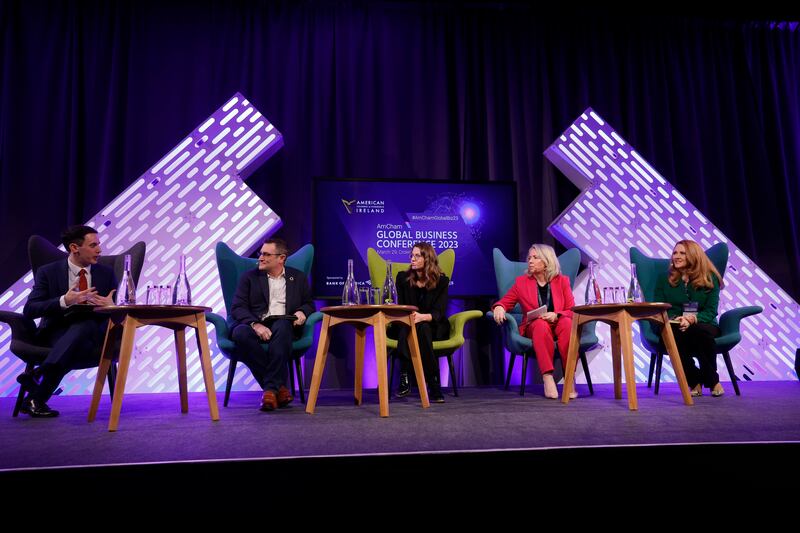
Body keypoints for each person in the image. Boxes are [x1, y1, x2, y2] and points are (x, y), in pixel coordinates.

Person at [20, 225, 118, 417]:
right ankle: (35, 398)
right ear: (74, 248)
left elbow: (126, 306)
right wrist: (66, 300)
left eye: (99, 244)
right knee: (77, 340)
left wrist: (111, 305)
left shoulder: (106, 273)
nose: (100, 250)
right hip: (58, 332)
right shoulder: (48, 272)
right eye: (93, 245)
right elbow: (30, 309)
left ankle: (39, 376)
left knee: (86, 326)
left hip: (95, 332)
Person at [230, 238, 315, 411]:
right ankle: (279, 388)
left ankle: (269, 391)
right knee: (239, 334)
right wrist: (256, 325)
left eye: (266, 254)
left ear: (281, 258)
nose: (260, 258)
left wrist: (302, 312)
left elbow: (308, 304)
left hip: (284, 323)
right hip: (255, 323)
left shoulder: (297, 278)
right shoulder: (249, 278)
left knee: (283, 325)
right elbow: (237, 308)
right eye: (260, 253)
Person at [492, 244, 576, 399]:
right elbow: (505, 302)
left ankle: (570, 377)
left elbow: (572, 310)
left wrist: (556, 314)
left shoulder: (562, 281)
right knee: (540, 324)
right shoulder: (521, 283)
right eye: (529, 257)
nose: (530, 261)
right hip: (534, 327)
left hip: (558, 322)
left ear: (546, 261)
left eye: (535, 257)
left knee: (567, 323)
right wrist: (499, 308)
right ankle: (548, 377)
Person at [654, 240, 724, 397]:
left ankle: (709, 380)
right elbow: (658, 306)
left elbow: (711, 310)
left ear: (693, 256)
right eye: (675, 253)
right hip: (672, 323)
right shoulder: (663, 279)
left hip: (703, 323)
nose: (676, 257)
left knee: (699, 333)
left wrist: (692, 319)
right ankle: (698, 380)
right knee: (674, 335)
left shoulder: (710, 278)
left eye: (682, 253)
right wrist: (677, 319)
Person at [393, 242, 450, 403]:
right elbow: (402, 306)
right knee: (412, 327)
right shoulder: (402, 278)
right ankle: (433, 383)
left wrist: (422, 317)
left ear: (428, 258)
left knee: (423, 327)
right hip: (407, 322)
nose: (412, 258)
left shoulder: (442, 281)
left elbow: (439, 311)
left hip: (433, 325)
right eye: (411, 255)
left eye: (417, 256)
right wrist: (413, 318)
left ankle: (405, 375)